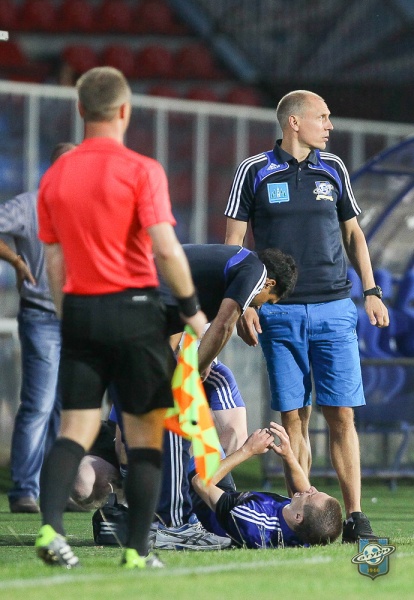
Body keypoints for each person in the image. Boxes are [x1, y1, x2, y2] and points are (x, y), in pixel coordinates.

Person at [35, 66, 207, 570]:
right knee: (146, 435)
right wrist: (193, 311)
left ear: (80, 109)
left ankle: (50, 527)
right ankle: (137, 551)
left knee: (75, 429)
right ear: (125, 111)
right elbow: (167, 248)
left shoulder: (55, 175)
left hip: (80, 311)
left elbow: (53, 260)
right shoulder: (141, 169)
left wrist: (69, 316)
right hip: (134, 313)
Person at [224, 89, 389, 543]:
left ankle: (355, 517)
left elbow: (353, 234)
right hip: (280, 313)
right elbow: (233, 246)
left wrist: (371, 291)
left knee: (341, 415)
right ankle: (302, 514)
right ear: (294, 122)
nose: (330, 125)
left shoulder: (333, 168)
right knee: (293, 418)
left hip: (335, 308)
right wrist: (244, 303)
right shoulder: (253, 170)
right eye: (323, 117)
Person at [152, 244, 297, 548]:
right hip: (141, 306)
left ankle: (152, 518)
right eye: (268, 301)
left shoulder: (223, 270)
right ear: (269, 284)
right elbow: (225, 323)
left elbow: (173, 318)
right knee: (176, 421)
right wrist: (192, 372)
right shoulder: (255, 271)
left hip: (132, 303)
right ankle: (173, 524)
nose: (260, 307)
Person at [0, 142, 85, 515]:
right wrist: (16, 261)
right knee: (39, 403)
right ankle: (24, 489)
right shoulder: (29, 204)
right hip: (42, 315)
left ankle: (54, 488)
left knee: (64, 406)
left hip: (78, 316)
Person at [192, 422, 343, 548]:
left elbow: (200, 483)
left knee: (192, 431)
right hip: (223, 495)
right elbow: (305, 493)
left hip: (199, 501)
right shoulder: (306, 531)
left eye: (311, 495)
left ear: (298, 517)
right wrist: (288, 455)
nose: (311, 488)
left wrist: (248, 450)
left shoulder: (251, 521)